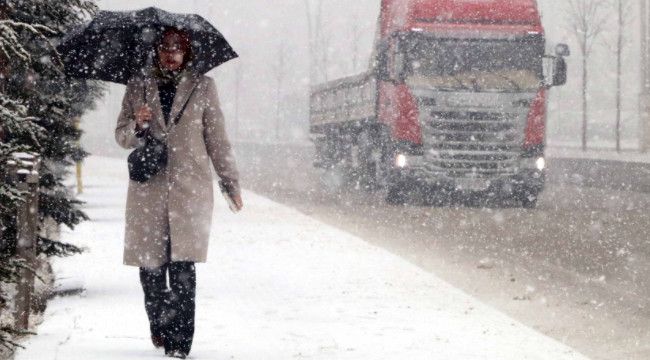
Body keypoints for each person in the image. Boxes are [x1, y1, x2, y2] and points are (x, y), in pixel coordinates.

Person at [115, 27, 243, 359]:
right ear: (156, 52)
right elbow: (121, 136)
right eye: (165, 49)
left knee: (184, 270)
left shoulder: (203, 87)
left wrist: (230, 183)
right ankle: (159, 323)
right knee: (151, 271)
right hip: (149, 192)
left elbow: (218, 140)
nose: (171, 55)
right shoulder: (138, 85)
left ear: (187, 53)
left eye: (177, 49)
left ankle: (180, 345)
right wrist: (138, 125)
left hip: (190, 191)